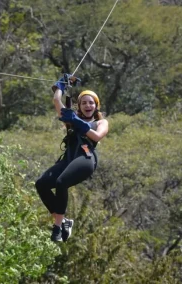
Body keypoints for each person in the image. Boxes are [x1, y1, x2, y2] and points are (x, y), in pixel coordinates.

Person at [35, 75, 109, 242]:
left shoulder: (100, 122)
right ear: (79, 106)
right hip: (68, 158)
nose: (88, 105)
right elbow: (56, 100)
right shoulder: (71, 118)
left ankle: (57, 227)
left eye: (91, 103)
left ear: (96, 106)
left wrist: (76, 121)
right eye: (84, 103)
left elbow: (96, 137)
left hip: (85, 157)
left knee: (62, 182)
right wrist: (60, 85)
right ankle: (64, 221)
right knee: (41, 184)